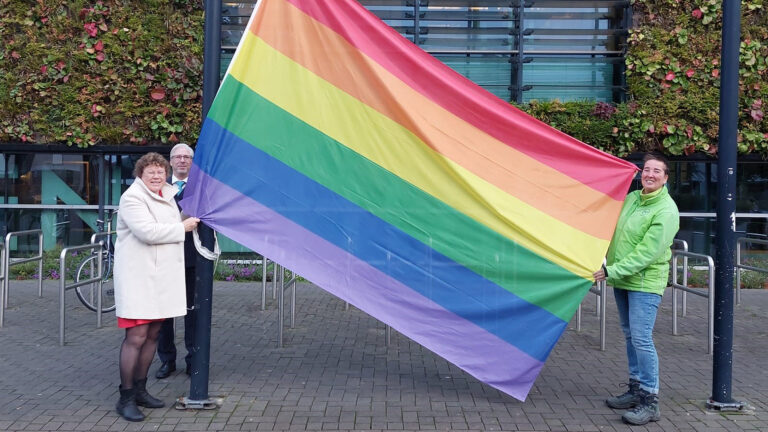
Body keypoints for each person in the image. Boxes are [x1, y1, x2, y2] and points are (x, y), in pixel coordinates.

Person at [593, 152, 679, 426]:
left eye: (657, 171)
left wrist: (610, 271)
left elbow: (647, 253)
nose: (650, 174)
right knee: (631, 336)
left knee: (642, 338)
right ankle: (635, 389)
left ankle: (650, 401)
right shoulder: (632, 198)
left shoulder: (666, 211)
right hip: (623, 279)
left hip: (644, 282)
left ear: (666, 178)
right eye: (646, 170)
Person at [113, 152, 199, 422]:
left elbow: (171, 223)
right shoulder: (132, 198)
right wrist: (182, 228)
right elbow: (148, 232)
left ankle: (140, 390)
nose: (156, 175)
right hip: (139, 279)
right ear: (140, 174)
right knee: (136, 337)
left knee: (152, 335)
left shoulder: (166, 196)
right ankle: (125, 396)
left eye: (160, 171)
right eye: (150, 171)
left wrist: (192, 214)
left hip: (159, 279)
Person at [155, 143, 198, 379]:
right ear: (170, 161)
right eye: (177, 156)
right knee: (164, 314)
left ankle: (193, 359)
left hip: (192, 259)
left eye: (187, 157)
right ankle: (166, 360)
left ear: (192, 162)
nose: (182, 160)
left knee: (192, 312)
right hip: (164, 258)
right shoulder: (158, 187)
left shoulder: (201, 188)